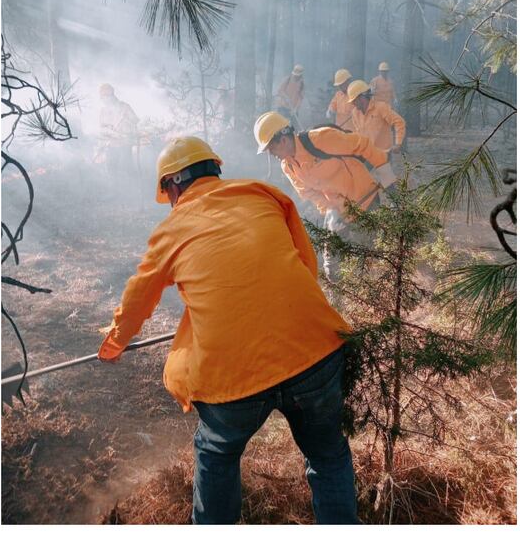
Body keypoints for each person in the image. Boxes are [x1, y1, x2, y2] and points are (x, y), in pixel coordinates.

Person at [96, 136, 359, 524]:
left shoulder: (170, 232)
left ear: (172, 184)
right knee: (327, 455)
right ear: (214, 169)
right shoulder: (263, 194)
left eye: (166, 191)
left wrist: (114, 344)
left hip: (234, 376)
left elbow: (138, 299)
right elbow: (306, 266)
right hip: (316, 351)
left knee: (216, 455)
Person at [253, 111, 392, 275]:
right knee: (332, 268)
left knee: (377, 252)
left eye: (271, 148)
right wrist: (331, 212)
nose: (271, 154)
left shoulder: (320, 139)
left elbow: (363, 145)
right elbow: (308, 193)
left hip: (365, 199)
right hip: (339, 209)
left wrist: (387, 176)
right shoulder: (288, 166)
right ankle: (341, 295)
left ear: (283, 140)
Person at [344, 80, 405, 153]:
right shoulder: (355, 113)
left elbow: (399, 122)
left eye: (354, 100)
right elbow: (359, 135)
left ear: (362, 97)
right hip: (366, 155)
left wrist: (398, 143)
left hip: (382, 154)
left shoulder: (381, 108)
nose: (353, 104)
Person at [98, 83, 139, 176]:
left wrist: (127, 123)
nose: (105, 99)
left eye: (106, 96)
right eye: (103, 97)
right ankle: (114, 188)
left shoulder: (124, 107)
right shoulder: (103, 111)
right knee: (111, 170)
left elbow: (135, 120)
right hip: (110, 145)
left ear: (111, 95)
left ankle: (133, 187)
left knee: (127, 168)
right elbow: (102, 128)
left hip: (125, 144)